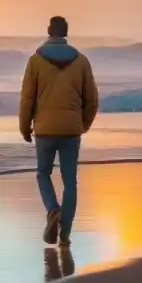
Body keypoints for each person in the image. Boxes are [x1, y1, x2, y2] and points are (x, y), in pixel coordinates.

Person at [19, 15, 99, 247]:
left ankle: (53, 210)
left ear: (48, 31)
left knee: (43, 173)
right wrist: (83, 124)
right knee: (70, 182)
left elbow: (27, 99)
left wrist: (25, 126)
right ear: (66, 32)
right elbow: (92, 100)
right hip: (71, 130)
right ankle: (65, 234)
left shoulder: (35, 61)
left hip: (44, 129)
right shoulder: (81, 61)